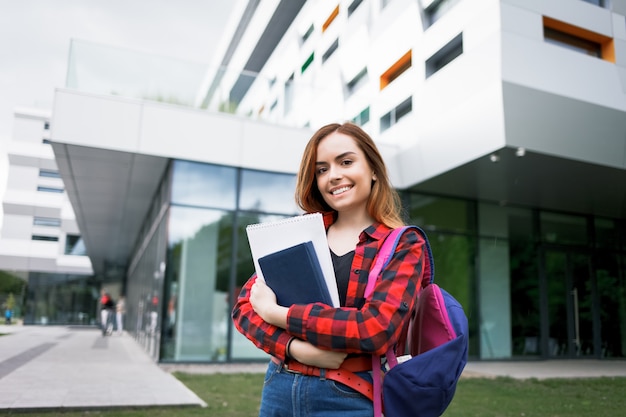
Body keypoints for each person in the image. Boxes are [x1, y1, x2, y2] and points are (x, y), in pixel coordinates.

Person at [232, 122, 426, 416]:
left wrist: (278, 314)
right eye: (322, 169)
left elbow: (374, 328)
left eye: (346, 162)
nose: (333, 176)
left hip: (349, 396)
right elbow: (245, 309)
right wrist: (296, 349)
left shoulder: (404, 244)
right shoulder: (299, 233)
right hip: (279, 387)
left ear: (373, 169)